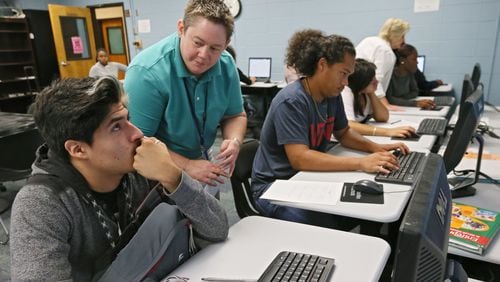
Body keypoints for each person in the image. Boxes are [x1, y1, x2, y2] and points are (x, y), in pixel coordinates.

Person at [10, 77, 229, 281]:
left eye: (128, 119)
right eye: (116, 127)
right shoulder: (41, 204)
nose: (137, 134)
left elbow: (216, 229)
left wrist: (174, 177)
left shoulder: (141, 169)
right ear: (78, 149)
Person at [251, 29, 410, 229]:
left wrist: (376, 149)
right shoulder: (292, 101)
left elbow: (343, 133)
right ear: (322, 65)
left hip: (305, 178)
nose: (345, 83)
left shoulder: (331, 96)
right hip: (275, 187)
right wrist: (361, 163)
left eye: (348, 76)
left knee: (362, 211)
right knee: (329, 225)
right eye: (343, 74)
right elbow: (300, 158)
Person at [125, 0, 247, 189]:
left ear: (226, 44)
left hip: (203, 159)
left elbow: (236, 115)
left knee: (207, 214)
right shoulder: (146, 72)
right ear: (181, 28)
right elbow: (139, 144)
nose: (204, 55)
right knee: (173, 217)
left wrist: (234, 141)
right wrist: (188, 166)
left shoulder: (226, 63)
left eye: (215, 48)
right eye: (198, 43)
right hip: (160, 168)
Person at [341, 58, 415, 137]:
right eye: (371, 79)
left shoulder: (366, 93)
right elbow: (350, 125)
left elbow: (383, 117)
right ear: (360, 81)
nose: (376, 82)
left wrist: (372, 94)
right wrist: (387, 132)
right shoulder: (346, 92)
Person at [355, 18, 410, 111]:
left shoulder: (370, 40)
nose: (404, 41)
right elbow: (376, 80)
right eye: (402, 36)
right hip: (364, 98)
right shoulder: (386, 51)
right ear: (396, 35)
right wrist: (385, 105)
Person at [386, 44, 435, 109]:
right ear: (402, 60)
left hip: (404, 107)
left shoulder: (410, 73)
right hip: (393, 110)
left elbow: (415, 92)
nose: (417, 62)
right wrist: (415, 103)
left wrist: (400, 99)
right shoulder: (390, 74)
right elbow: (389, 100)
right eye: (414, 59)